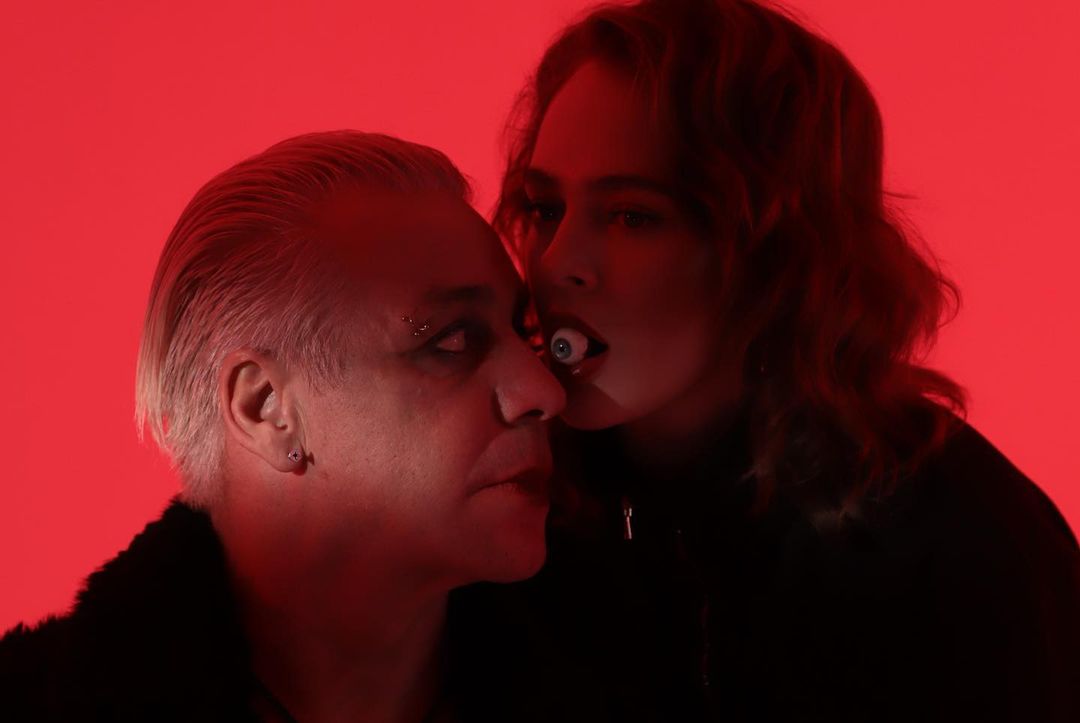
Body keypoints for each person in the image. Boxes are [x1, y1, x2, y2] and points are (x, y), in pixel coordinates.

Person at [494, 1, 1080, 721]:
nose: (557, 264)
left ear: (775, 248)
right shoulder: (512, 508)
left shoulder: (959, 543)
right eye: (544, 208)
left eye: (633, 215)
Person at [0, 130, 613, 722]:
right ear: (266, 408)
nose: (545, 391)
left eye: (525, 335)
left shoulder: (640, 681)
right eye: (451, 341)